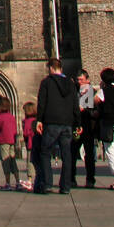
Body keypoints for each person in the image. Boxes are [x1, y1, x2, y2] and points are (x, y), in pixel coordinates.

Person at [35, 57, 80, 194]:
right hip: (67, 123)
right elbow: (75, 104)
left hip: (51, 122)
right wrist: (78, 123)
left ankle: (48, 183)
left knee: (45, 152)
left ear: (51, 68)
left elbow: (42, 102)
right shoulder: (71, 84)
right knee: (67, 155)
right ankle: (65, 186)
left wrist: (39, 120)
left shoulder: (47, 82)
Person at [72, 70, 97, 189]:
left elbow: (94, 110)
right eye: (78, 80)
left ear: (87, 79)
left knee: (89, 154)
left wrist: (84, 109)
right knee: (72, 152)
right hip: (76, 126)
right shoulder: (75, 91)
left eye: (81, 80)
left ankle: (90, 179)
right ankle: (72, 178)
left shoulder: (92, 92)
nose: (79, 82)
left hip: (88, 127)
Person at [0, 105, 21, 190]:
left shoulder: (0, 117)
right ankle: (17, 183)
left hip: (4, 140)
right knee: (13, 161)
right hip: (12, 140)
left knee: (5, 161)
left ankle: (8, 183)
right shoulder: (12, 116)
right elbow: (15, 129)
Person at [21, 102, 37, 191]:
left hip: (30, 145)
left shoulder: (27, 121)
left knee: (30, 163)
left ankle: (30, 181)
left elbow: (26, 133)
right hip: (38, 145)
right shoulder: (37, 120)